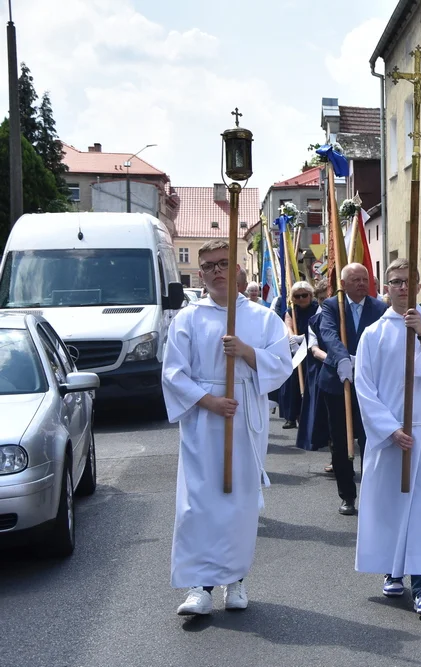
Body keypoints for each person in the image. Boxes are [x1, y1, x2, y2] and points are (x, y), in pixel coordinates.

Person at [162, 239, 292, 616]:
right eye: (209, 266)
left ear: (238, 269)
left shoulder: (262, 317)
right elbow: (172, 373)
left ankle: (234, 580)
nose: (217, 271)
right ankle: (199, 586)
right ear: (200, 275)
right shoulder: (188, 318)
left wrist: (247, 352)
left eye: (224, 263)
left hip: (244, 414)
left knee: (238, 501)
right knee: (199, 502)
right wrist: (210, 402)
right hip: (204, 417)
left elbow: (281, 364)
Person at [354, 258, 421, 618]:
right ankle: (393, 569)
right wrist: (389, 429)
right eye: (394, 282)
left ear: (416, 286)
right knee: (391, 508)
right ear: (385, 287)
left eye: (406, 282)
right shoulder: (373, 333)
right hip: (389, 435)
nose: (400, 288)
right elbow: (364, 388)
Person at [319, 263, 387, 515]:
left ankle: (372, 492)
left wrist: (364, 359)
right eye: (355, 279)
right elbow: (327, 333)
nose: (361, 283)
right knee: (341, 441)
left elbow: (384, 338)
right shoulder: (332, 305)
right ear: (344, 284)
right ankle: (347, 495)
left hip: (370, 383)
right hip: (338, 382)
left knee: (370, 439)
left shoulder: (380, 308)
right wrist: (343, 358)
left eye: (365, 279)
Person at [283, 282, 319, 450]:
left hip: (312, 349)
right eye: (297, 296)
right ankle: (292, 415)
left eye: (305, 295)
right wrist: (293, 338)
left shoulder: (317, 309)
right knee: (294, 382)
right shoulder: (291, 312)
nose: (302, 298)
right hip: (298, 350)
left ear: (311, 296)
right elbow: (288, 327)